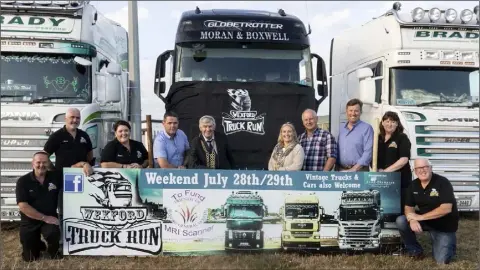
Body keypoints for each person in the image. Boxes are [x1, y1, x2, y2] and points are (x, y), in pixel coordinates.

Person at [395, 158, 459, 264]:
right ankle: (415, 250)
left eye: (425, 167)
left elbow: (446, 208)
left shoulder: (443, 182)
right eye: (418, 168)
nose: (422, 170)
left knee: (441, 260)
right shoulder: (413, 185)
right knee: (401, 221)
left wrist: (419, 217)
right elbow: (408, 207)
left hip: (443, 225)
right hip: (426, 220)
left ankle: (449, 245)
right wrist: (412, 220)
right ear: (415, 171)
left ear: (431, 168)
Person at [16, 152, 62, 262]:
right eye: (38, 162)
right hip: (29, 221)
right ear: (33, 163)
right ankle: (38, 244)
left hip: (49, 218)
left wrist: (84, 164)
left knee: (53, 232)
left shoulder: (55, 176)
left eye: (44, 162)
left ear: (48, 163)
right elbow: (23, 206)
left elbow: (72, 169)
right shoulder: (23, 181)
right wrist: (44, 217)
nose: (41, 165)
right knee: (30, 258)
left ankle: (53, 251)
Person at [376, 111, 412, 212]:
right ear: (382, 123)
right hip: (382, 180)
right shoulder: (377, 138)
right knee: (384, 207)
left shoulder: (402, 138)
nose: (389, 124)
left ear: (397, 123)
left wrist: (386, 172)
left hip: (400, 181)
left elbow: (404, 159)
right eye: (387, 121)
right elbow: (373, 158)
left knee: (399, 208)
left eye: (392, 121)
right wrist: (379, 170)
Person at [337, 98, 373, 171]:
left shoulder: (367, 128)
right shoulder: (341, 128)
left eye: (356, 111)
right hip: (341, 171)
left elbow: (368, 153)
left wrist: (354, 169)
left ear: (360, 112)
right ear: (346, 112)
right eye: (350, 110)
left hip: (359, 171)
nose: (353, 113)